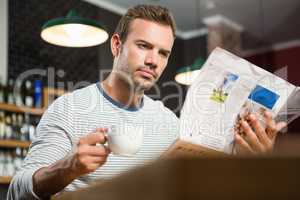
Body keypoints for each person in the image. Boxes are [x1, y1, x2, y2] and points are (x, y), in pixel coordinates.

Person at [7, 4, 286, 200]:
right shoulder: (68, 109)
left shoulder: (168, 122)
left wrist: (250, 160)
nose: (154, 60)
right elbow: (16, 191)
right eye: (144, 46)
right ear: (117, 45)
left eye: (163, 53)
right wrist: (67, 167)